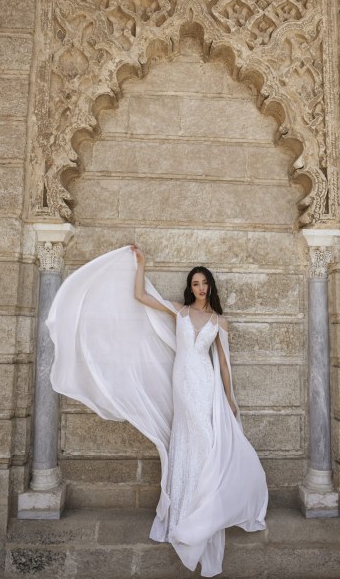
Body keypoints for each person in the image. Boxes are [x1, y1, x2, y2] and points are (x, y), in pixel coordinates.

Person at [46, 245, 268, 577]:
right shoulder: (178, 311)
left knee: (207, 442)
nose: (201, 288)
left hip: (204, 385)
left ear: (211, 287)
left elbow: (223, 362)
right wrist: (140, 264)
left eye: (204, 283)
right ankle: (184, 512)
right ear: (190, 288)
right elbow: (139, 296)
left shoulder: (220, 321)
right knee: (187, 440)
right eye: (195, 283)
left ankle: (205, 510)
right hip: (182, 383)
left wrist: (229, 397)